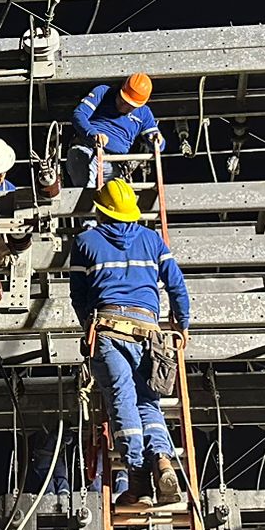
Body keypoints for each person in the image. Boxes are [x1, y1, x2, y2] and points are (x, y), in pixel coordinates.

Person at [69, 179, 190, 505]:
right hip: (149, 333)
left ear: (101, 210)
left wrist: (87, 325)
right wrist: (183, 323)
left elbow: (78, 295)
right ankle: (163, 461)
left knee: (122, 398)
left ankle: (137, 478)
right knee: (147, 402)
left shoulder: (84, 242)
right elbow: (176, 284)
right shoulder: (152, 240)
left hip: (107, 330)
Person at [68, 73, 164, 188]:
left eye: (129, 106)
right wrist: (93, 134)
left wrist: (158, 140)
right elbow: (79, 115)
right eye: (122, 100)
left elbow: (158, 144)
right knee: (87, 191)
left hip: (115, 163)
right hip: (87, 150)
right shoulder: (103, 92)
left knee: (117, 197)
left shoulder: (144, 114)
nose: (124, 106)